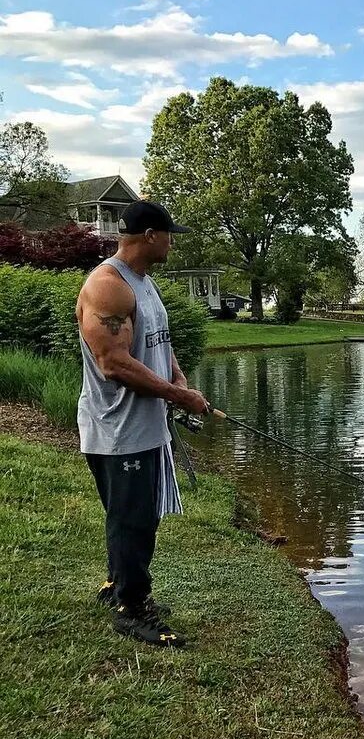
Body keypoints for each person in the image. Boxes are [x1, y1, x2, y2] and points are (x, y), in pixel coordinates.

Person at [76, 200, 210, 647]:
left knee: (138, 514)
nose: (173, 241)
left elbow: (156, 339)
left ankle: (119, 586)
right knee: (132, 520)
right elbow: (114, 362)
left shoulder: (144, 283)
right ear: (150, 235)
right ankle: (133, 609)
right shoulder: (107, 285)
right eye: (170, 233)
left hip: (145, 426)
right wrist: (179, 396)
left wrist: (176, 376)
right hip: (117, 429)